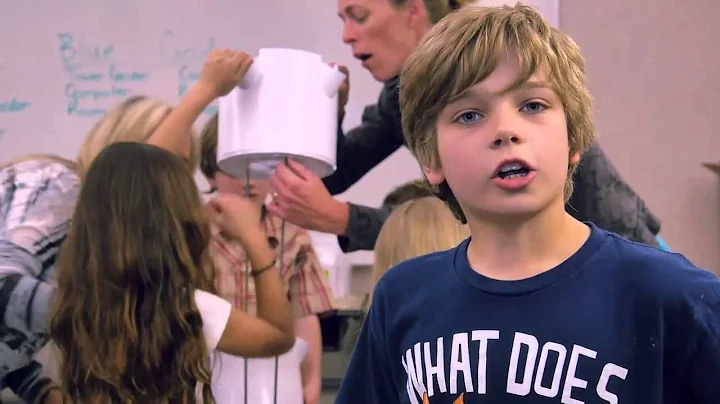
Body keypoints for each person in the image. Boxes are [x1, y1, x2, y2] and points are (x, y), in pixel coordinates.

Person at [337, 5, 720, 403]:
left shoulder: (673, 296)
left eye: (533, 106)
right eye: (469, 115)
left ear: (574, 139)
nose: (506, 130)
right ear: (431, 160)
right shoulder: (400, 298)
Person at [267, 0, 661, 254]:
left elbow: (470, 221)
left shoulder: (481, 64)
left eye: (360, 15)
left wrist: (344, 219)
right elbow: (333, 176)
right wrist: (324, 114)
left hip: (622, 251)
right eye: (469, 116)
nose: (346, 35)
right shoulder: (400, 95)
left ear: (413, 10)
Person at [0, 49, 253, 403]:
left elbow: (11, 334)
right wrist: (99, 319)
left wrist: (43, 392)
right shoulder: (57, 185)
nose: (170, 187)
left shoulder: (96, 240)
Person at [50, 142, 295, 403]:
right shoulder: (188, 311)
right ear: (175, 222)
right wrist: (253, 237)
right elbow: (278, 336)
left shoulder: (69, 305)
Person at [199, 114, 336, 404]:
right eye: (234, 168)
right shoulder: (193, 231)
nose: (248, 179)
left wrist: (311, 379)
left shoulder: (292, 230)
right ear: (211, 173)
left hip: (274, 378)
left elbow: (304, 312)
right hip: (210, 376)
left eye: (259, 168)